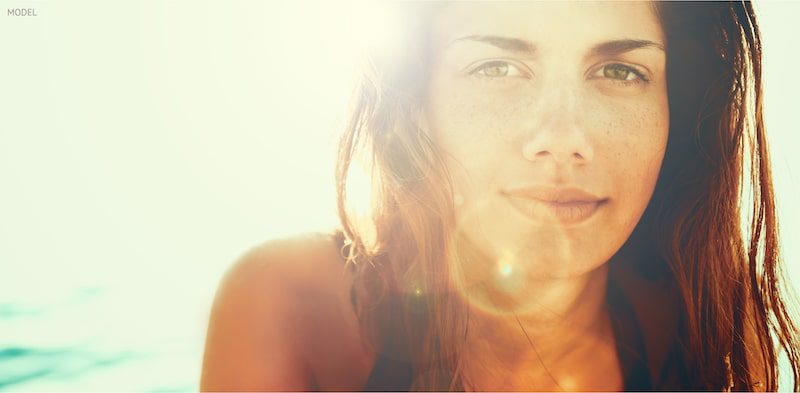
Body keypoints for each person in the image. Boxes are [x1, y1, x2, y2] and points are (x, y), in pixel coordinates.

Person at [199, 2, 800, 391]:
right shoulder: (293, 305)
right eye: (496, 67)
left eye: (620, 72)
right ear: (418, 103)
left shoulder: (709, 319)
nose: (564, 141)